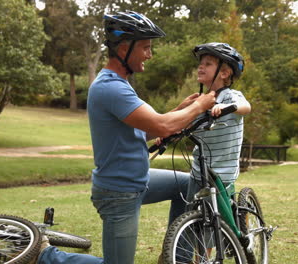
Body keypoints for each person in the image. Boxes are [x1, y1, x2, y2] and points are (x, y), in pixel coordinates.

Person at [86, 11, 216, 264]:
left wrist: (180, 110)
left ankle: (176, 257)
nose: (150, 54)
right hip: (119, 191)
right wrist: (200, 106)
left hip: (137, 180)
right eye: (145, 47)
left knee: (186, 183)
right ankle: (46, 253)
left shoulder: (119, 84)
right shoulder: (110, 87)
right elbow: (161, 125)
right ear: (125, 48)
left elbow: (144, 130)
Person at [185, 42, 251, 207]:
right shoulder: (199, 102)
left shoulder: (231, 96)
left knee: (220, 222)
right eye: (200, 63)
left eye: (208, 64)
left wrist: (228, 107)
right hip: (198, 172)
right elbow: (186, 123)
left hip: (223, 174)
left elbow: (246, 107)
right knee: (190, 214)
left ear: (224, 73)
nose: (201, 67)